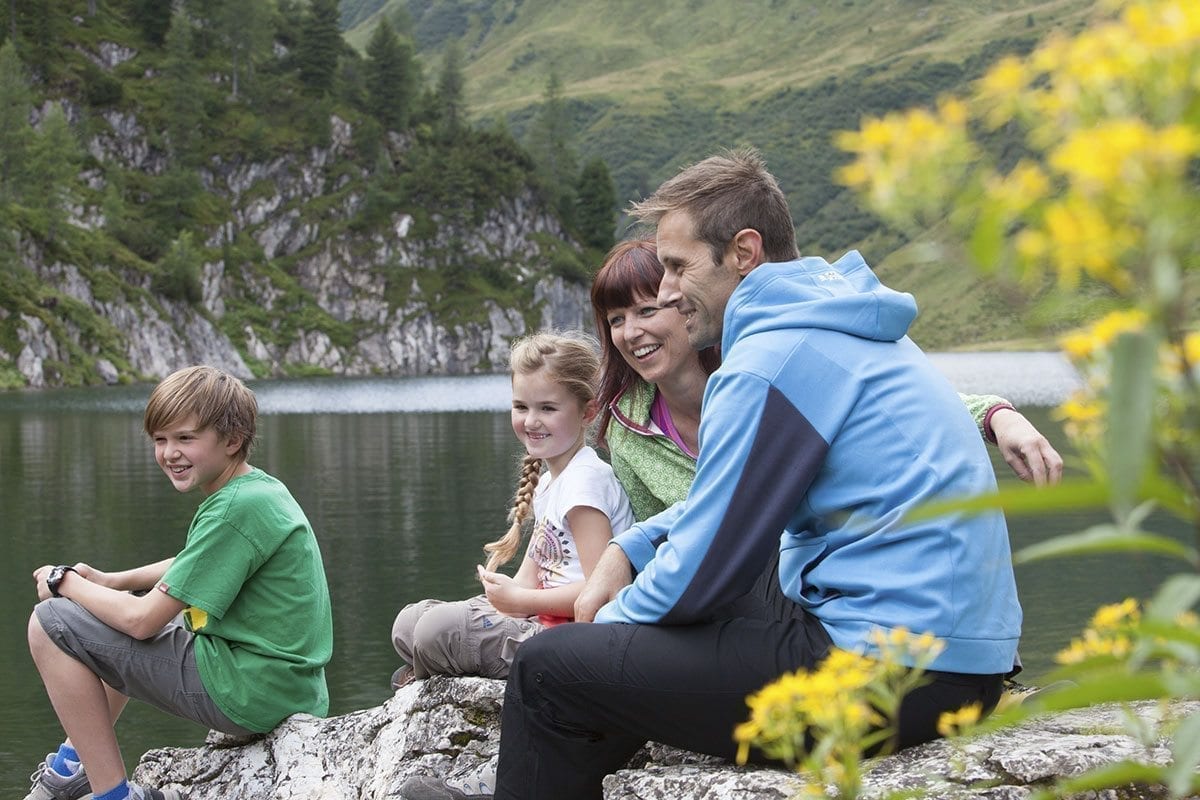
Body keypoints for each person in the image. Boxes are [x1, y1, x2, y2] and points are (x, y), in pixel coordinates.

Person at [487, 148, 1024, 800]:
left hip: (893, 680)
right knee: (663, 615)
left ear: (743, 251)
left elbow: (707, 571)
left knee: (550, 668)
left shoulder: (769, 359)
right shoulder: (843, 322)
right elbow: (731, 502)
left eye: (679, 267)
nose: (665, 291)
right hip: (961, 668)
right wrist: (632, 547)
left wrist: (605, 626)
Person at [591, 238, 1063, 525]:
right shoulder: (626, 431)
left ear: (683, 303)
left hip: (821, 576)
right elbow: (657, 541)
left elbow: (886, 401)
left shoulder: (763, 371)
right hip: (733, 599)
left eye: (647, 311)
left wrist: (998, 417)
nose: (631, 334)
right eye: (616, 320)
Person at [25, 365, 333, 800]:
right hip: (284, 686)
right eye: (160, 439)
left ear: (232, 439)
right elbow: (198, 563)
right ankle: (74, 762)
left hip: (249, 692)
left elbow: (142, 623)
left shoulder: (233, 509)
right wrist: (113, 580)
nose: (170, 452)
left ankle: (111, 794)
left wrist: (64, 582)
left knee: (49, 622)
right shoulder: (256, 491)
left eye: (186, 438)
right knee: (105, 609)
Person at [390, 332, 634, 687]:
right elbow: (532, 575)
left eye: (547, 408)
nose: (531, 421)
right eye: (521, 407)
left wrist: (520, 599)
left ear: (588, 412)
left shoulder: (586, 482)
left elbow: (598, 593)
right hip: (540, 619)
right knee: (409, 622)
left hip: (577, 638)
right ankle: (432, 664)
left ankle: (427, 675)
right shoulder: (552, 480)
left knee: (434, 631)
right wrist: (507, 593)